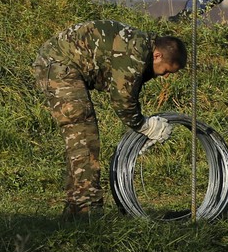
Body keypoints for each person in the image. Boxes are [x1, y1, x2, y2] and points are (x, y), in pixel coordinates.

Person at [32, 20, 188, 217]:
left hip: (60, 64)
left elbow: (128, 90)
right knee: (83, 137)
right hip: (59, 66)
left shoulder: (142, 47)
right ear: (157, 55)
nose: (165, 76)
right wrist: (144, 126)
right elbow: (122, 98)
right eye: (166, 70)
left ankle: (75, 208)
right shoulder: (136, 52)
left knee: (81, 138)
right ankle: (86, 210)